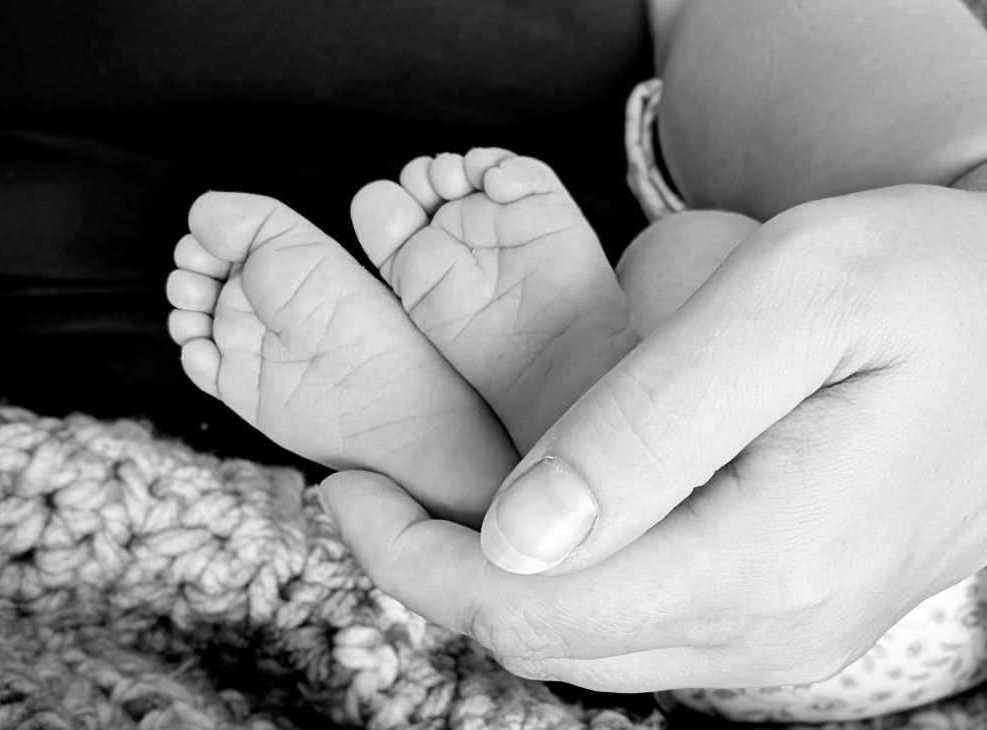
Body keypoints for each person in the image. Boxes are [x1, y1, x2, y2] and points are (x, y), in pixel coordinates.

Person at [165, 0, 987, 722]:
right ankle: (540, 428)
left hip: (833, 559)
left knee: (713, 263)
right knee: (710, 265)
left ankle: (519, 442)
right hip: (805, 591)